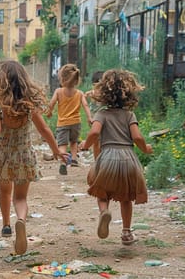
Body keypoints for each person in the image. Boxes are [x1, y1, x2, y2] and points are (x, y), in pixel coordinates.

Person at [0, 60, 67, 255]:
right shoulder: (28, 105)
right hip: (24, 155)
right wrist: (57, 150)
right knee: (21, 197)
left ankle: (6, 225)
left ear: (1, 80)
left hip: (5, 156)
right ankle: (21, 221)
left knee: (5, 192)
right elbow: (44, 129)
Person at [78, 69, 153, 245]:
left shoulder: (101, 114)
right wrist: (145, 149)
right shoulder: (129, 115)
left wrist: (85, 145)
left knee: (101, 189)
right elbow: (137, 137)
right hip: (128, 159)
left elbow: (95, 132)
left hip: (107, 158)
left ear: (103, 92)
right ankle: (126, 233)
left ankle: (104, 212)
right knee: (126, 198)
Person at [46, 64, 92, 175]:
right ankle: (74, 159)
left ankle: (63, 162)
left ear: (62, 78)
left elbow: (51, 103)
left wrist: (49, 112)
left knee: (62, 144)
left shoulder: (58, 91)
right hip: (76, 122)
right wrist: (90, 117)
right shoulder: (80, 93)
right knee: (74, 142)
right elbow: (85, 105)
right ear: (77, 80)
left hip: (62, 123)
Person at [85, 70, 105, 159]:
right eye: (95, 86)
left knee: (103, 141)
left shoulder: (106, 95)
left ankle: (103, 160)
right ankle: (97, 162)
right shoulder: (91, 93)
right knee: (96, 141)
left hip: (104, 121)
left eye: (99, 86)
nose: (97, 89)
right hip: (94, 120)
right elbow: (84, 100)